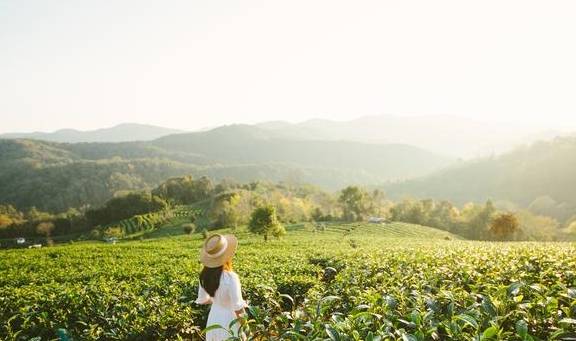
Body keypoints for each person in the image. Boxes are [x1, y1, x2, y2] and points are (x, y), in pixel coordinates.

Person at [195, 234, 247, 340]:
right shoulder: (231, 277)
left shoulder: (204, 276)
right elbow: (238, 309)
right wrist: (246, 330)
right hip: (229, 320)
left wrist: (218, 300)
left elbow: (203, 299)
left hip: (214, 318)